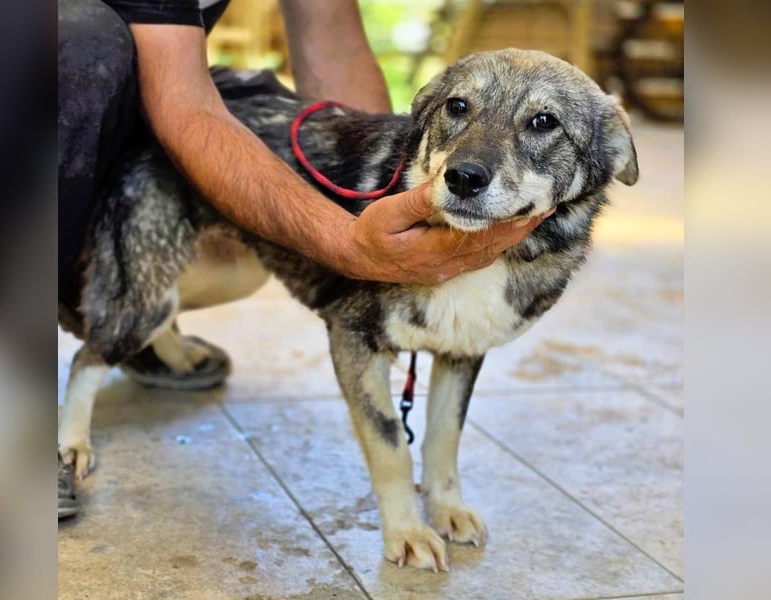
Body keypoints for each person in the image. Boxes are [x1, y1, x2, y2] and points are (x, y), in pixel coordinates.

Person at [58, 0, 551, 518]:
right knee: (82, 45)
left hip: (159, 69)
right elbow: (183, 105)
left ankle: (144, 329)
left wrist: (369, 194)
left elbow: (330, 35)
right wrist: (345, 242)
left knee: (258, 105)